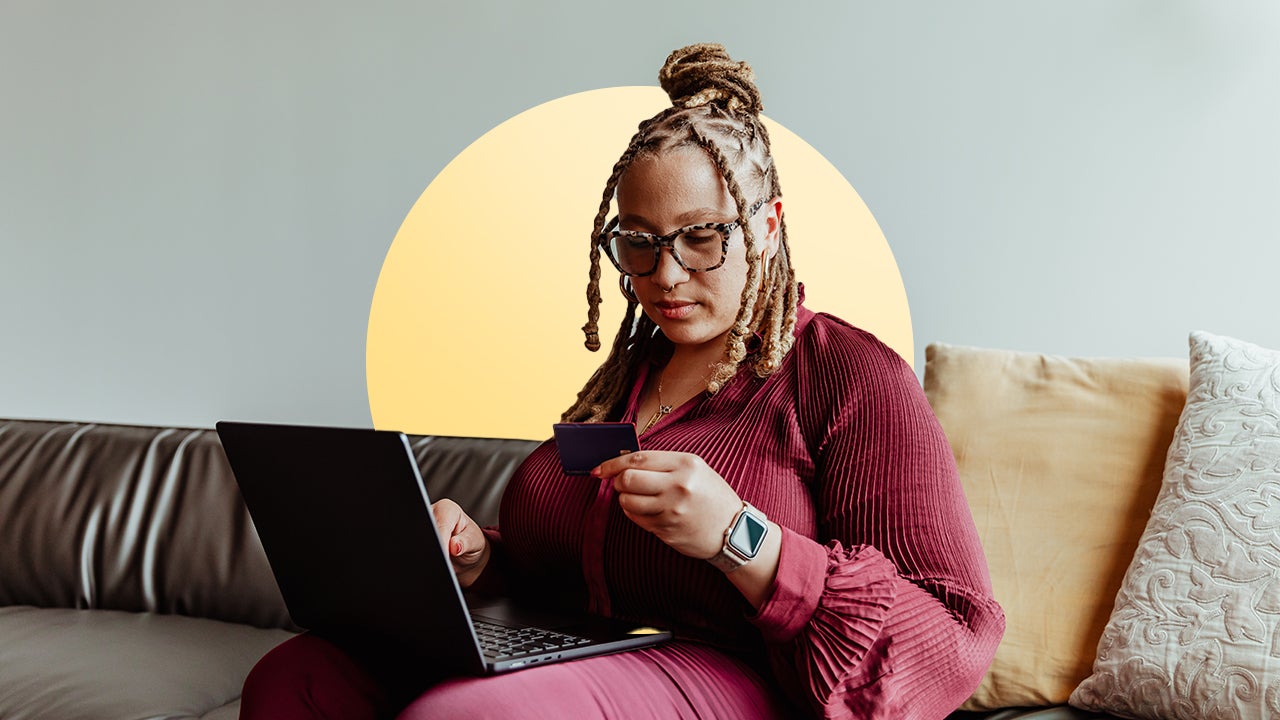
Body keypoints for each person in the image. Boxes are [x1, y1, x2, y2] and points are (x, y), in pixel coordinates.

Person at [239, 43, 1004, 720]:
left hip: (739, 674)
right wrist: (482, 560)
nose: (663, 276)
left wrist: (742, 539)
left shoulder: (849, 374)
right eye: (636, 243)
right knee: (298, 677)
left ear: (768, 226)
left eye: (701, 238)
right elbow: (584, 565)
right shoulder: (630, 378)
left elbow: (954, 638)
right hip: (591, 650)